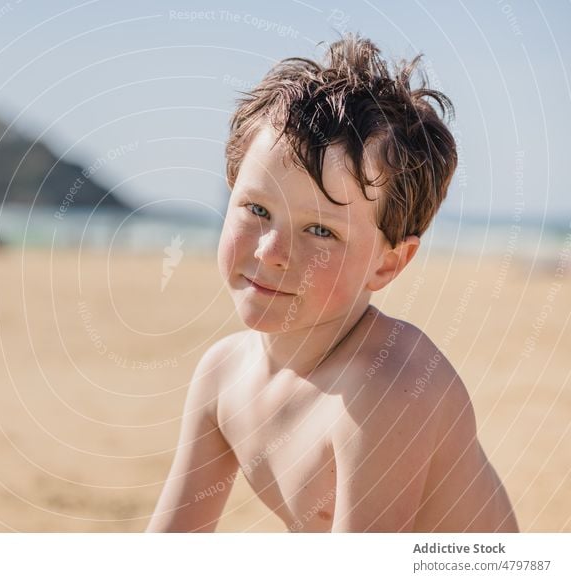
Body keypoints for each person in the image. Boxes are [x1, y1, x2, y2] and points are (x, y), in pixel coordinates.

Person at [146, 35, 518, 532]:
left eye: (320, 230)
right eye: (257, 209)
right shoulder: (222, 377)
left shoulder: (388, 386)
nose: (270, 252)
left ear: (388, 264)